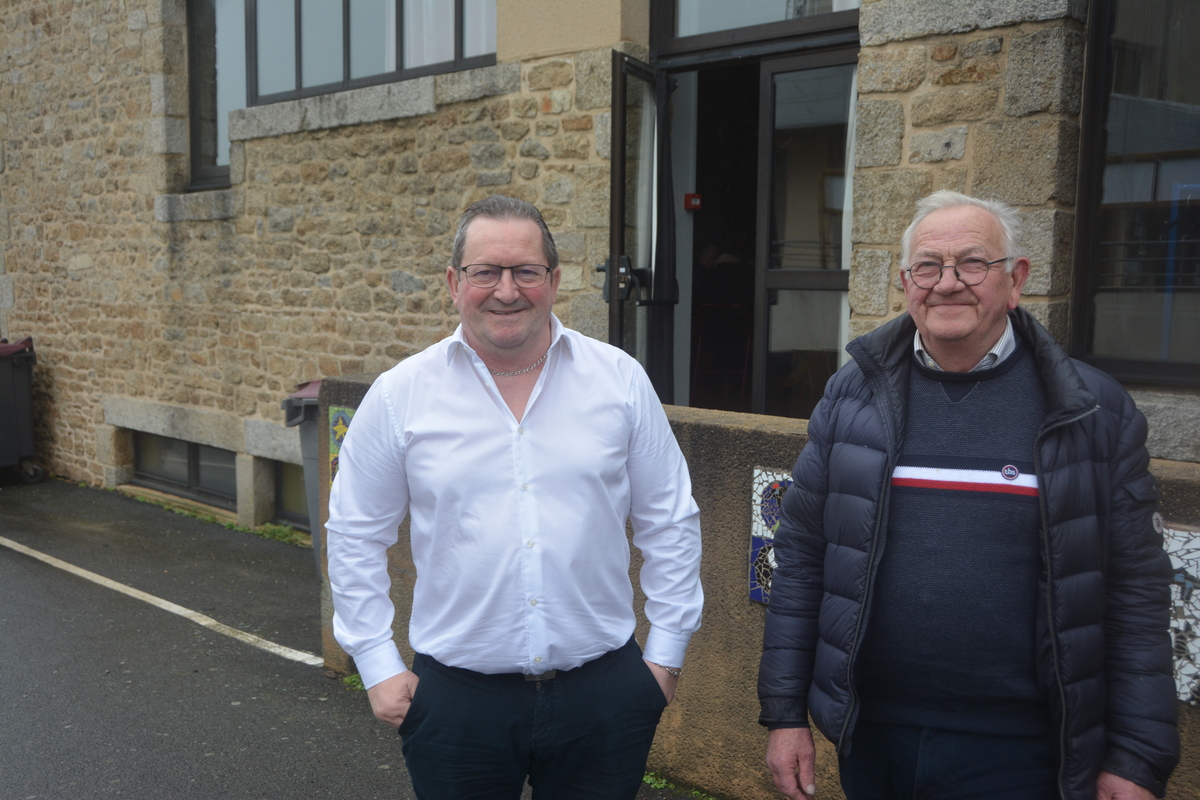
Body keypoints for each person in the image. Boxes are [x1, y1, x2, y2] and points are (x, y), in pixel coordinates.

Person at [758, 191, 1179, 800]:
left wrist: (1137, 756)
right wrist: (786, 713)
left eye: (973, 263)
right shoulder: (853, 396)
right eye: (928, 266)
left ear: (1016, 281)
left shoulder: (1092, 410)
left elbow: (1135, 588)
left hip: (1027, 755)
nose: (948, 283)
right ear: (905, 282)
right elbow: (800, 558)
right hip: (874, 740)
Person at [325, 194, 704, 800]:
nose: (507, 290)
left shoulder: (618, 380)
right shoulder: (401, 396)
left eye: (526, 271)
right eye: (486, 272)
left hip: (604, 694)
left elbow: (670, 521)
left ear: (553, 281)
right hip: (457, 704)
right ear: (455, 283)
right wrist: (376, 660)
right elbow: (353, 531)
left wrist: (664, 658)